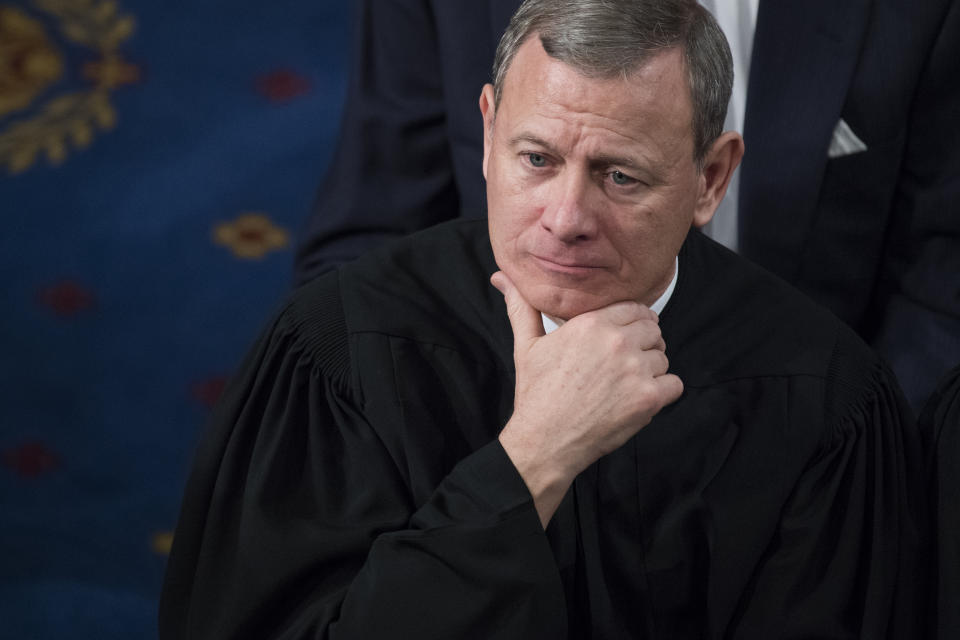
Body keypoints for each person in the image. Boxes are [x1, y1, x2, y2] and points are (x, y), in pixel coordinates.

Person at [162, 1, 926, 637]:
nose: (566, 219)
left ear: (710, 178)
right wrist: (531, 462)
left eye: (619, 176)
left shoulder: (823, 400)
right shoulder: (337, 352)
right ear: (489, 132)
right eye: (536, 159)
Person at [294, 0, 960, 412]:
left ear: (714, 174)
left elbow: (943, 279)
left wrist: (851, 454)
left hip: (797, 442)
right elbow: (369, 237)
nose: (569, 217)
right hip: (484, 425)